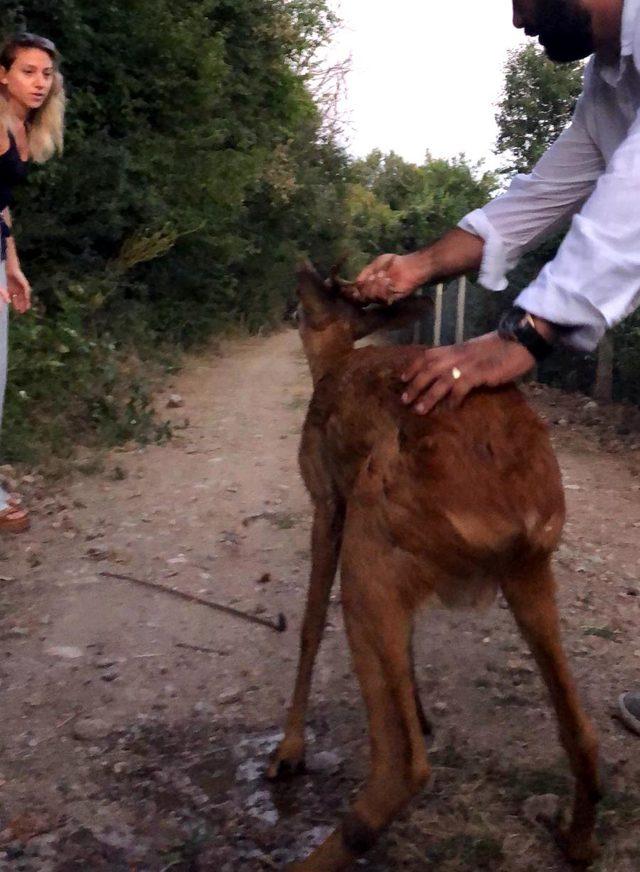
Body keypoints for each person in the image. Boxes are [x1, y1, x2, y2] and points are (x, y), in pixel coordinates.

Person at [352, 0, 640, 735]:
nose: (517, 19)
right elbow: (539, 196)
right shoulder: (611, 81)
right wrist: (420, 265)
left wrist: (526, 333)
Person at [0, 33, 65, 532]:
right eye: (27, 71)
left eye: (46, 73)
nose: (39, 82)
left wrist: (11, 262)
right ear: (3, 75)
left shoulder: (21, 126)